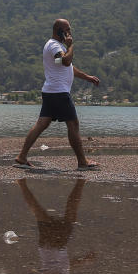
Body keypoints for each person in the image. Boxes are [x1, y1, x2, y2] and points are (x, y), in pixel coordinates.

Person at [14, 18, 101, 170]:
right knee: (73, 124)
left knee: (42, 124)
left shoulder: (58, 47)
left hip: (51, 92)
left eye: (69, 30)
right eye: (67, 30)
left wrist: (86, 77)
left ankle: (22, 157)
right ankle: (82, 162)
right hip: (59, 93)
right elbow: (66, 61)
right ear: (59, 31)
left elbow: (67, 66)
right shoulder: (54, 45)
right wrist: (71, 45)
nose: (69, 33)